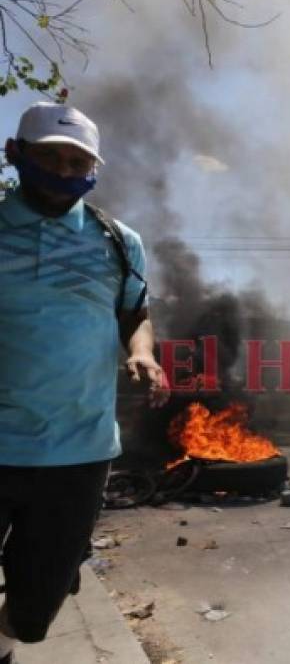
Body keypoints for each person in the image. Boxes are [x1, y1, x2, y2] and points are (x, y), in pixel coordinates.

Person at [0, 102, 169, 663]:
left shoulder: (118, 241)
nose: (67, 173)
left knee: (35, 609)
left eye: (80, 163)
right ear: (15, 154)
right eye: (53, 158)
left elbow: (135, 313)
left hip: (78, 451)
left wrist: (143, 354)